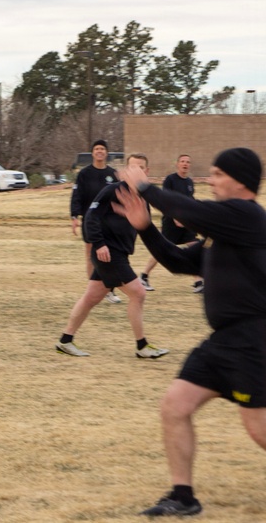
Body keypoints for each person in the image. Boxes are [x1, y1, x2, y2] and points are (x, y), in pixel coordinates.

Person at [112, 147, 266, 517]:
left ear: (240, 180)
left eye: (216, 174)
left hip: (252, 340)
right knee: (175, 406)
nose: (210, 181)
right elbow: (181, 261)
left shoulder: (247, 215)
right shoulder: (222, 229)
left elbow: (191, 211)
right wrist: (146, 230)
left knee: (259, 429)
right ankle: (183, 497)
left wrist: (145, 187)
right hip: (223, 341)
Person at [55, 153, 168, 359]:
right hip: (108, 253)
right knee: (138, 293)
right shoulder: (111, 191)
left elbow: (146, 228)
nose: (136, 172)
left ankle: (65, 341)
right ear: (125, 171)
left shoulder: (143, 199)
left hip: (120, 254)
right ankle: (142, 346)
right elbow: (91, 217)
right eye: (132, 168)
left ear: (147, 172)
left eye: (140, 168)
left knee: (91, 297)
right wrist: (98, 244)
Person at [139, 154, 203, 293]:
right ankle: (143, 276)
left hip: (186, 222)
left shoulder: (189, 182)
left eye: (188, 162)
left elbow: (189, 201)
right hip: (171, 222)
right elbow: (165, 201)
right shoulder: (170, 180)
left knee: (194, 246)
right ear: (177, 164)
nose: (185, 164)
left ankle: (198, 282)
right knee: (162, 250)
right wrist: (175, 218)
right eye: (182, 161)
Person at [71, 139, 122, 304]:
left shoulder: (113, 174)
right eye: (97, 149)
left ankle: (109, 291)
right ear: (92, 153)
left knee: (109, 256)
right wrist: (74, 216)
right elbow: (77, 196)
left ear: (106, 153)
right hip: (90, 221)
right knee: (90, 256)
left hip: (109, 222)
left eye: (102, 149)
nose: (99, 151)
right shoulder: (84, 174)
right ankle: (92, 291)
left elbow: (119, 197)